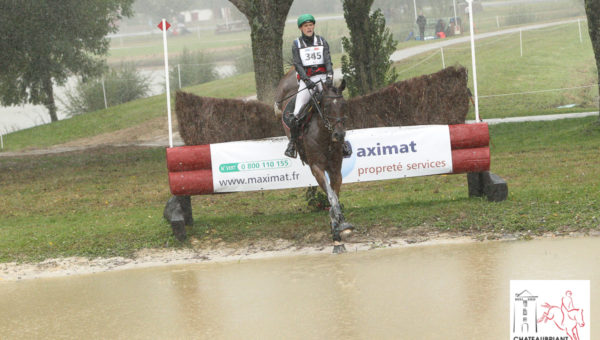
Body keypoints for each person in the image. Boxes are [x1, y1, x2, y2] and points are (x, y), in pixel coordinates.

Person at [285, 14, 334, 158]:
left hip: (323, 78)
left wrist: (330, 76)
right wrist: (306, 81)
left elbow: (328, 60)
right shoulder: (297, 44)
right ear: (301, 28)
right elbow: (298, 65)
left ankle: (342, 143)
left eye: (311, 25)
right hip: (307, 81)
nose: (309, 28)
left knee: (335, 104)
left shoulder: (322, 41)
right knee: (297, 112)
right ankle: (292, 144)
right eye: (306, 26)